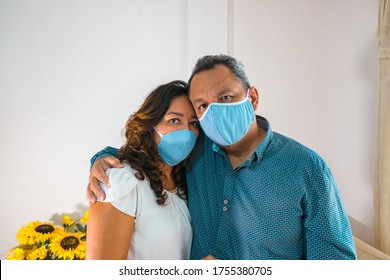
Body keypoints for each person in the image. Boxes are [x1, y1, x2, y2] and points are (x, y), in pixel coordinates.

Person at [87, 54, 357, 260]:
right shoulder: (195, 150)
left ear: (252, 98)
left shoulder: (305, 168)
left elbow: (335, 262)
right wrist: (101, 160)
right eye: (202, 105)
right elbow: (147, 151)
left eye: (225, 97)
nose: (212, 113)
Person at [85, 80, 199, 260]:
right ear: (150, 125)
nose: (186, 131)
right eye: (174, 120)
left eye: (193, 123)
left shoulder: (186, 182)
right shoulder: (121, 181)